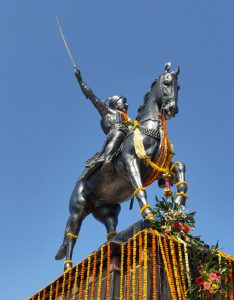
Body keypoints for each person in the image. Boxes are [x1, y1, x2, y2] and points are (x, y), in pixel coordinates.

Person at [75, 68, 131, 173]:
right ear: (115, 103)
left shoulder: (128, 119)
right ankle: (108, 160)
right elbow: (91, 96)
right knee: (118, 133)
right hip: (115, 134)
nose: (127, 104)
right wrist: (80, 80)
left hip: (126, 137)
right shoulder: (106, 111)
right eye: (123, 102)